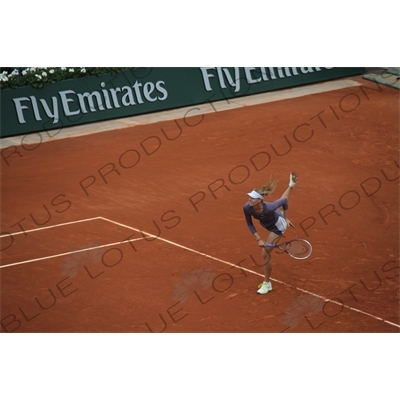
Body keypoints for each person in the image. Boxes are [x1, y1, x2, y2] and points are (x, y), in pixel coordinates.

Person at [243, 172, 298, 294]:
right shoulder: (247, 207)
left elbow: (284, 201)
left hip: (278, 226)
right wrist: (258, 239)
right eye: (249, 197)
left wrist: (286, 218)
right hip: (270, 221)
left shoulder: (269, 207)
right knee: (280, 201)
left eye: (252, 198)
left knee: (265, 253)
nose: (249, 199)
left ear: (260, 200)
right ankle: (291, 185)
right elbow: (249, 223)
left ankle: (267, 284)